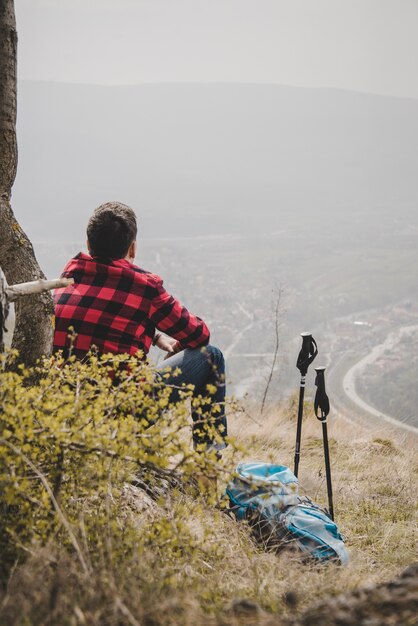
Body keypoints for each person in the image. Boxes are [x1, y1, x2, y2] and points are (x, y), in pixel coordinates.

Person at [53, 201, 227, 451]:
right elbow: (199, 335)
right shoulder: (144, 288)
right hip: (123, 412)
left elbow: (99, 320)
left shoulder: (69, 276)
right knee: (212, 357)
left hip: (67, 409)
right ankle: (208, 467)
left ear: (89, 244)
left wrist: (155, 337)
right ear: (132, 248)